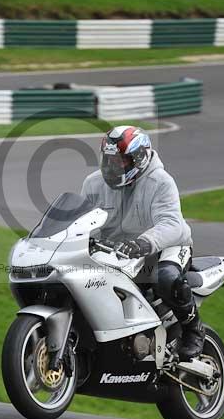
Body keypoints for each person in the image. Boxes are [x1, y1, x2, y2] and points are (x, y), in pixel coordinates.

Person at [81, 125, 204, 360]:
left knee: (165, 277)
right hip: (119, 252)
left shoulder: (161, 182)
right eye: (108, 160)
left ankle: (193, 329)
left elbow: (172, 224)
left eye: (120, 161)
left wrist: (144, 242)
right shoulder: (93, 184)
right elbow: (82, 221)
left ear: (139, 158)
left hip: (167, 245)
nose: (112, 166)